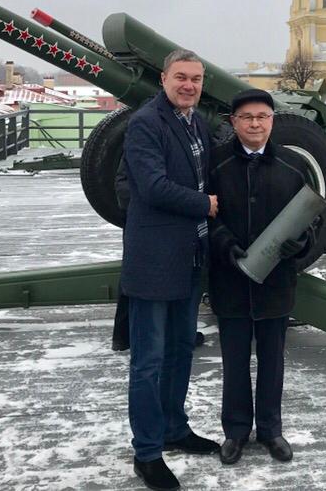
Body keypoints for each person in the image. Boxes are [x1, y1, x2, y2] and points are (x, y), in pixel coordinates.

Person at [121, 48, 220, 491]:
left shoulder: (195, 123)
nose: (189, 85)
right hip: (154, 259)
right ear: (164, 79)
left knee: (180, 350)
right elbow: (152, 187)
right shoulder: (146, 123)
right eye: (181, 77)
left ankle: (174, 428)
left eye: (196, 79)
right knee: (148, 361)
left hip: (190, 254)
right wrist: (205, 205)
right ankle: (147, 453)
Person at [209, 89, 317, 466]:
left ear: (272, 120)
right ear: (234, 122)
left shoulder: (293, 165)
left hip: (276, 281)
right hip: (231, 278)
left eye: (263, 117)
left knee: (273, 360)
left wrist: (301, 242)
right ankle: (236, 431)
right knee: (235, 360)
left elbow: (310, 216)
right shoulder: (216, 165)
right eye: (247, 117)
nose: (255, 124)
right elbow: (205, 215)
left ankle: (271, 430)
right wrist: (225, 244)